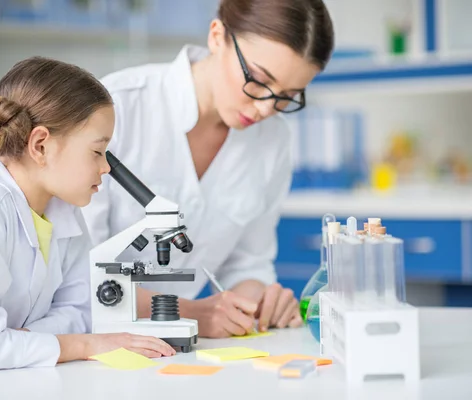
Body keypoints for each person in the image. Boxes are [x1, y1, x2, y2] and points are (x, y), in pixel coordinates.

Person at [82, 0, 334, 338]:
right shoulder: (117, 107)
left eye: (287, 96)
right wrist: (192, 313)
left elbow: (247, 263)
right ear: (217, 36)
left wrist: (258, 302)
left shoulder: (273, 140)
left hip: (173, 354)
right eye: (258, 80)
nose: (264, 108)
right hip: (88, 345)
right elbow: (75, 275)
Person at [0, 57, 175, 381]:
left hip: (19, 379)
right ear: (40, 145)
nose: (106, 168)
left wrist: (11, 344)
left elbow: (80, 312)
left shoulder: (62, 208)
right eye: (97, 152)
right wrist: (84, 345)